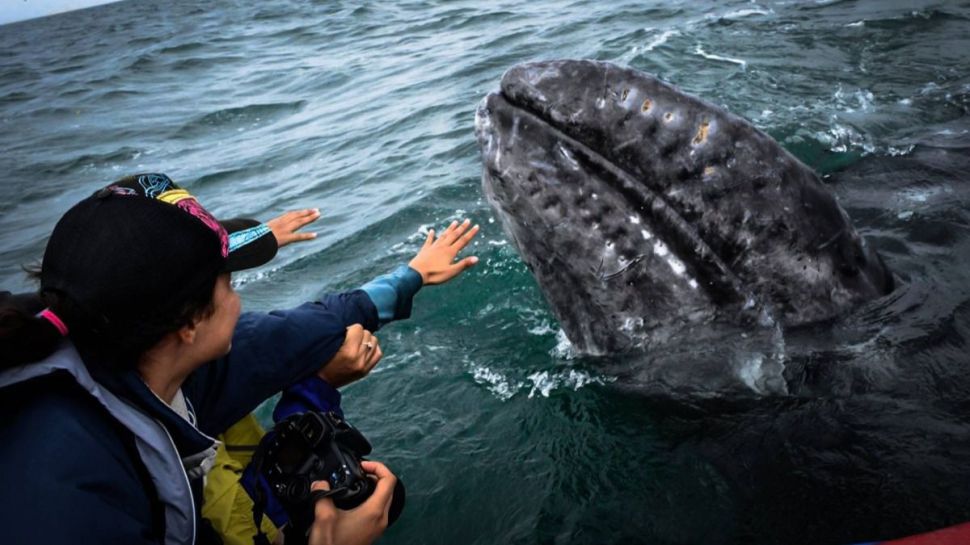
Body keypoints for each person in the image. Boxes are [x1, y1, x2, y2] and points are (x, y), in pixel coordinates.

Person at [0, 173, 479, 545]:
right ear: (187, 323)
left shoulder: (131, 338)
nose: (238, 297)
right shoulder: (61, 497)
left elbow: (308, 327)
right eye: (228, 280)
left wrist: (411, 275)